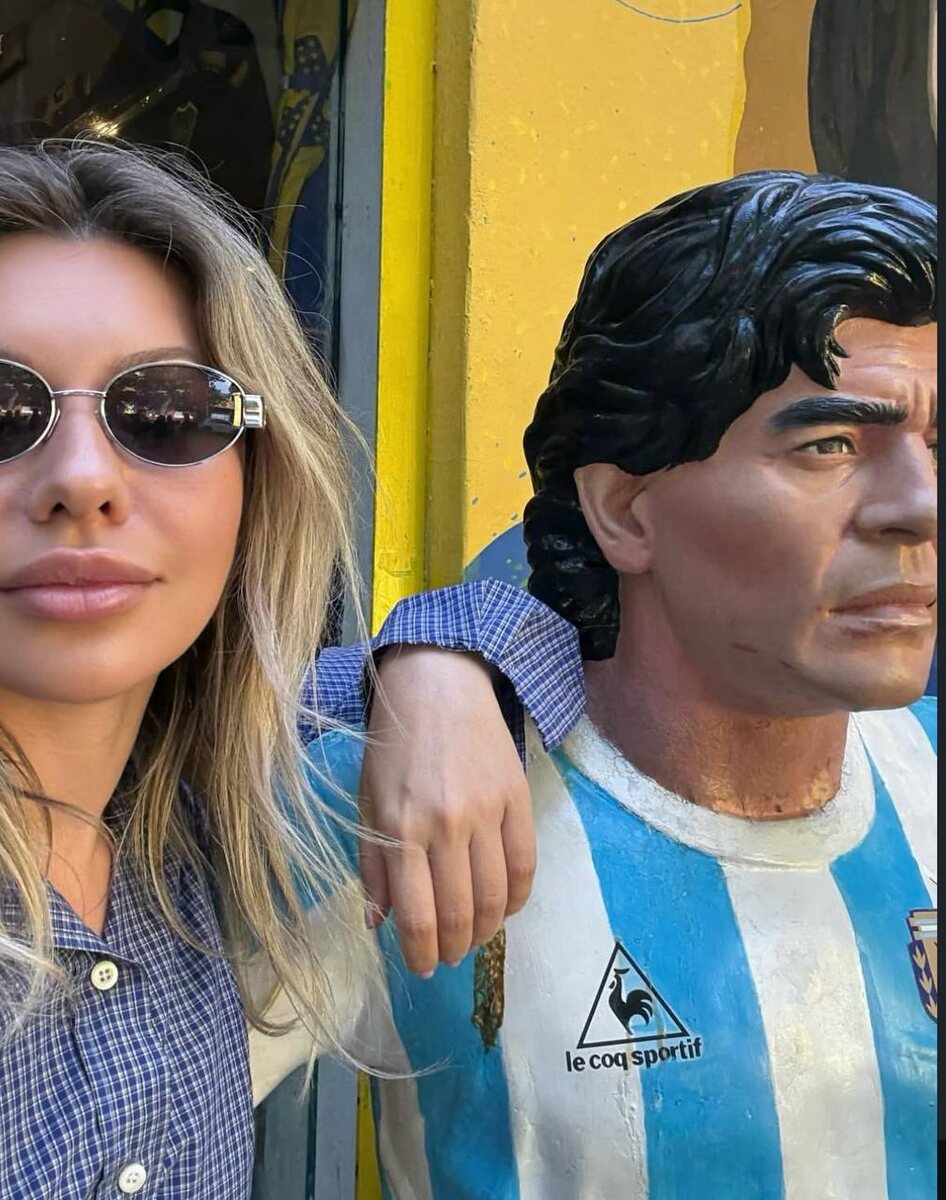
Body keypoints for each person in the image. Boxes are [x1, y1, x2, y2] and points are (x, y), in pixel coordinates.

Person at [302, 171, 937, 1198]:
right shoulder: (404, 798)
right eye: (829, 445)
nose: (918, 506)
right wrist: (425, 661)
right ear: (624, 511)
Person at [0, 138, 585, 1199]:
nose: (80, 480)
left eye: (165, 413)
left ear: (258, 480)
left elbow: (539, 621)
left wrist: (438, 670)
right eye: (3, 413)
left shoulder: (199, 795)